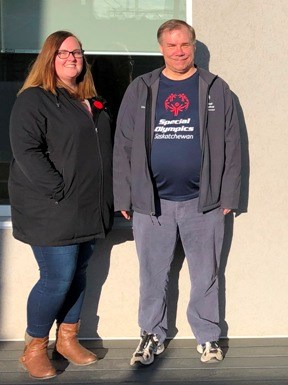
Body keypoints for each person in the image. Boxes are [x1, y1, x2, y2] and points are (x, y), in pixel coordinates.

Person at [114, 19, 241, 366]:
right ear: (161, 48)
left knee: (206, 273)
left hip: (205, 202)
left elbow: (232, 144)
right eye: (171, 45)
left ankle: (208, 337)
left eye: (184, 44)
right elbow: (123, 144)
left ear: (194, 46)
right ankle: (151, 334)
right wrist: (124, 195)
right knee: (152, 274)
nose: (179, 51)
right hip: (151, 203)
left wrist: (228, 195)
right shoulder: (142, 88)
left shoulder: (215, 88)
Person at [9, 30, 113, 380]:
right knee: (57, 278)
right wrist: (58, 189)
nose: (73, 58)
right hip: (53, 207)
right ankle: (33, 348)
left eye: (78, 53)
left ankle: (67, 339)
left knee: (79, 274)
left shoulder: (90, 101)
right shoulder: (34, 99)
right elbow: (26, 151)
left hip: (87, 205)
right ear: (49, 59)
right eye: (64, 53)